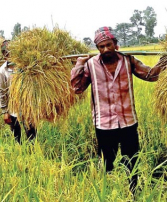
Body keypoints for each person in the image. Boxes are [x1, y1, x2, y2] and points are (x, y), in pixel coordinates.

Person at [71, 26, 167, 193]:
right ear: (98, 48)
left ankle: (133, 191)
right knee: (107, 162)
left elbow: (151, 75)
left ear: (116, 44)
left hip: (128, 122)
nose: (106, 49)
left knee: (132, 160)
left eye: (109, 45)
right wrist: (79, 65)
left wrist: (163, 62)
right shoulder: (91, 66)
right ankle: (107, 192)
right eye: (101, 47)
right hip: (104, 124)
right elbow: (77, 88)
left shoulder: (128, 61)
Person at [0, 40, 37, 144]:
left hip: (27, 106)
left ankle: (32, 155)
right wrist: (5, 112)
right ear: (4, 55)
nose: (9, 55)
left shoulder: (24, 66)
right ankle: (19, 153)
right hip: (13, 107)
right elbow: (2, 92)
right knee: (16, 135)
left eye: (11, 52)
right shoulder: (2, 71)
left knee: (31, 134)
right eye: (6, 53)